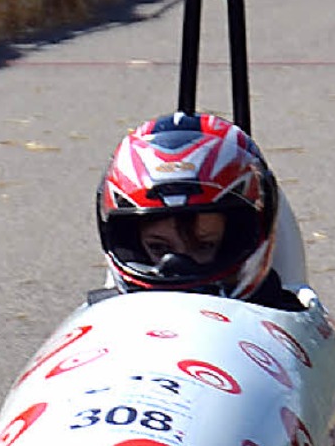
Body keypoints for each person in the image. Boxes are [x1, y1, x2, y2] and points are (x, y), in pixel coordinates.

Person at [96, 111, 304, 310]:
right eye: (158, 248)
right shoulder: (101, 323)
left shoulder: (287, 325)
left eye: (204, 245)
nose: (176, 265)